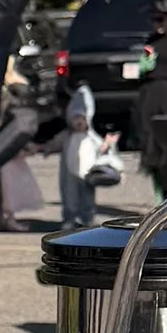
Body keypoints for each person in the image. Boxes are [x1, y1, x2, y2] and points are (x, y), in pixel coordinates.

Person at [58, 80, 118, 225]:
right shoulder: (67, 136)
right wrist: (42, 148)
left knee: (87, 195)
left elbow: (103, 149)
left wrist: (108, 145)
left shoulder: (92, 137)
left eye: (82, 118)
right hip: (70, 173)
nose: (78, 122)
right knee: (69, 193)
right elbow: (54, 143)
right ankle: (70, 217)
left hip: (87, 172)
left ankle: (87, 217)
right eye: (75, 118)